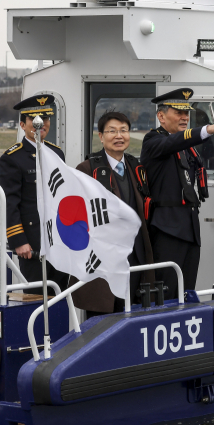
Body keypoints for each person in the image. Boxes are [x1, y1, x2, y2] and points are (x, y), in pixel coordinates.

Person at [140, 88, 214, 300]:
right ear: (161, 116)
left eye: (186, 113)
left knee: (186, 289)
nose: (184, 117)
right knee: (167, 291)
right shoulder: (153, 141)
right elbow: (173, 142)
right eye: (178, 113)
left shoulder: (186, 146)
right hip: (167, 228)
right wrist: (207, 130)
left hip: (189, 227)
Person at [71, 111, 155, 318]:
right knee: (102, 317)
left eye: (124, 131)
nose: (119, 136)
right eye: (112, 131)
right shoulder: (87, 169)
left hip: (134, 254)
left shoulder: (136, 167)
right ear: (100, 136)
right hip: (103, 258)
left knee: (134, 312)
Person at [0, 95, 69, 293]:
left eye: (46, 119)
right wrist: (19, 241)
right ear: (23, 124)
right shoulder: (12, 158)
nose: (41, 124)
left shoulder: (57, 153)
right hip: (32, 242)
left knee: (61, 294)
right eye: (34, 119)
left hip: (58, 238)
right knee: (36, 297)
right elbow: (9, 204)